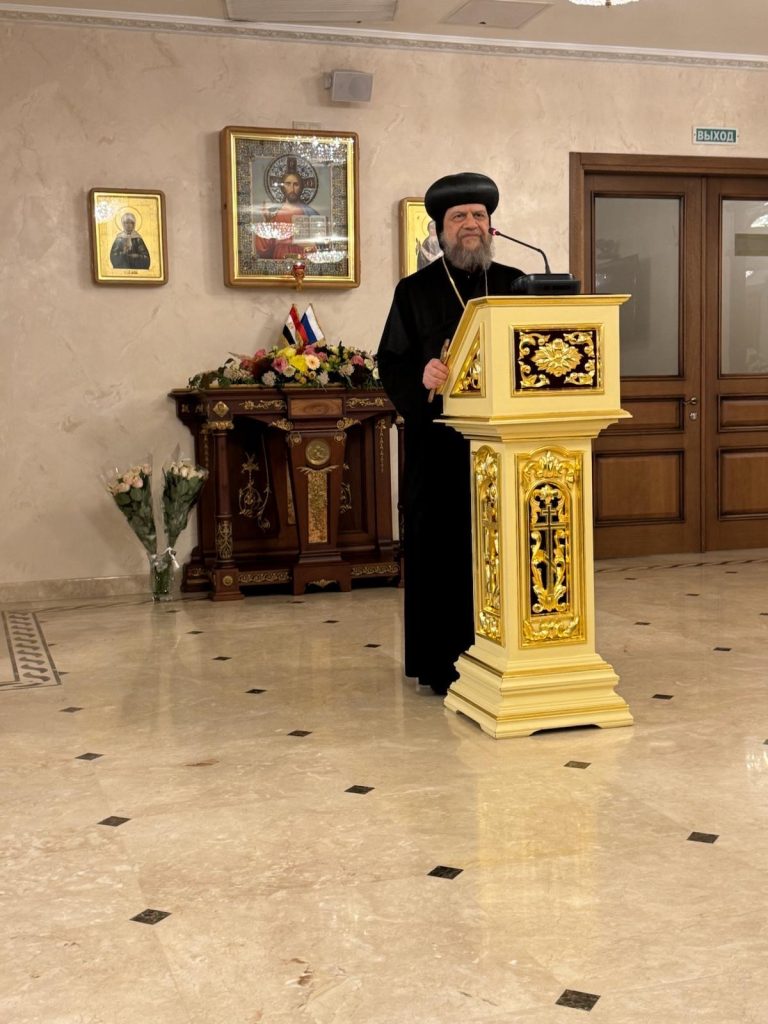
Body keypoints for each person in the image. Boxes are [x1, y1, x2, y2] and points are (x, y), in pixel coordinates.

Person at [377, 172, 524, 694]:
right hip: (440, 448)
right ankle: (442, 664)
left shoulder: (515, 283)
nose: (470, 224)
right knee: (443, 551)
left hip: (506, 446)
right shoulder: (414, 290)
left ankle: (508, 654)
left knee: (502, 548)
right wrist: (422, 375)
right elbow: (390, 361)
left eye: (478, 215)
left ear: (491, 226)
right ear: (441, 230)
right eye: (458, 217)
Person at [254, 169, 321, 261]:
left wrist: (311, 245)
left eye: (296, 184)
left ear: (301, 187)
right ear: (282, 187)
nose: (292, 189)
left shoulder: (311, 214)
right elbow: (263, 249)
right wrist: (267, 223)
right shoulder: (274, 214)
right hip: (280, 257)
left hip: (304, 256)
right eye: (288, 184)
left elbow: (322, 242)